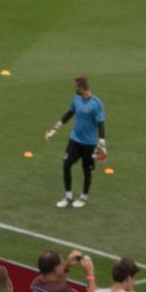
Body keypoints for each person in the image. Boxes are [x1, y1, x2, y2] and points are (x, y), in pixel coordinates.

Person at [46, 75, 106, 209]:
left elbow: (101, 123)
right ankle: (68, 196)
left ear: (81, 87)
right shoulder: (76, 99)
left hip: (89, 144)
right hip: (74, 140)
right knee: (66, 165)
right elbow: (68, 114)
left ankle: (83, 197)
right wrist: (54, 129)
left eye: (75, 86)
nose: (74, 88)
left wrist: (101, 143)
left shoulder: (96, 104)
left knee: (87, 170)